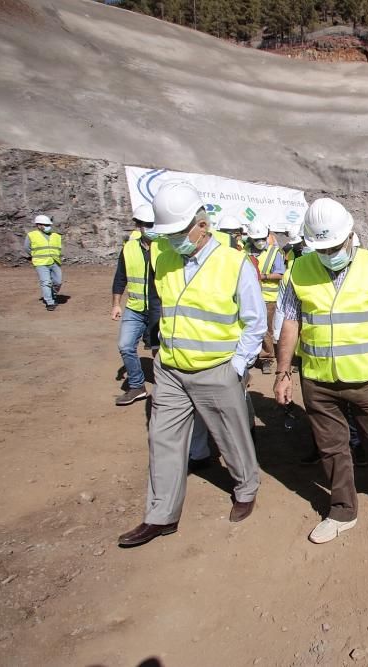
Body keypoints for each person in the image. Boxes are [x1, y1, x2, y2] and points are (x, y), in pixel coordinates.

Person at [118, 182, 264, 548]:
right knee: (162, 439)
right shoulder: (163, 257)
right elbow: (163, 307)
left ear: (202, 225)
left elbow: (254, 321)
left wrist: (236, 367)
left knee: (231, 437)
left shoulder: (233, 263)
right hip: (169, 369)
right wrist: (158, 350)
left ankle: (246, 488)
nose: (172, 240)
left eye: (179, 232)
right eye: (167, 234)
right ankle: (160, 515)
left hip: (216, 369)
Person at [274, 198, 368, 544]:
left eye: (334, 246)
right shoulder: (299, 269)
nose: (330, 253)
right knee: (332, 447)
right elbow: (290, 322)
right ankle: (342, 510)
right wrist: (283, 372)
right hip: (318, 380)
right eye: (322, 248)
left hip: (367, 378)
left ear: (351, 235)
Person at [111, 204, 162, 406]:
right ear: (138, 226)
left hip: (159, 308)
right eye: (145, 224)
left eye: (153, 224)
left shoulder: (166, 247)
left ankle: (164, 389)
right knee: (125, 345)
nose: (149, 228)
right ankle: (137, 386)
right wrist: (116, 304)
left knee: (159, 351)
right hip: (135, 307)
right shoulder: (129, 248)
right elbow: (120, 277)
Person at [245, 221, 286, 374]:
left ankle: (266, 358)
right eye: (257, 239)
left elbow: (281, 274)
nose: (260, 242)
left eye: (263, 238)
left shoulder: (274, 253)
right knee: (248, 326)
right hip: (249, 296)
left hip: (268, 298)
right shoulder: (245, 251)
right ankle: (249, 356)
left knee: (266, 329)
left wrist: (262, 276)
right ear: (250, 239)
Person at [25, 214, 63, 311]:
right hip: (41, 263)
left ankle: (53, 295)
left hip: (54, 262)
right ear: (38, 225)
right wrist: (36, 256)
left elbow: (59, 248)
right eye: (45, 225)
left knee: (58, 282)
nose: (47, 227)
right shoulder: (31, 235)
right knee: (46, 282)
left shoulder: (56, 235)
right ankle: (49, 302)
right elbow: (27, 248)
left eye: (48, 225)